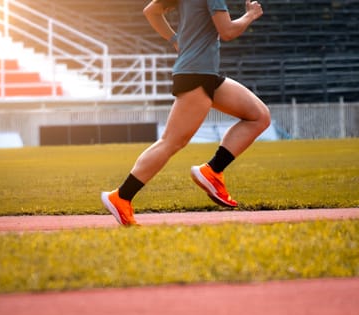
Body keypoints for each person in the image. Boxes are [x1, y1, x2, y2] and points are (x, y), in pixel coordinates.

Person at [101, 0, 271, 225]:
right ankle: (121, 196)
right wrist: (250, 15)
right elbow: (227, 31)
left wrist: (174, 40)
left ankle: (212, 171)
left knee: (259, 116)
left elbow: (150, 11)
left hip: (205, 73)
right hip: (196, 74)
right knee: (170, 142)